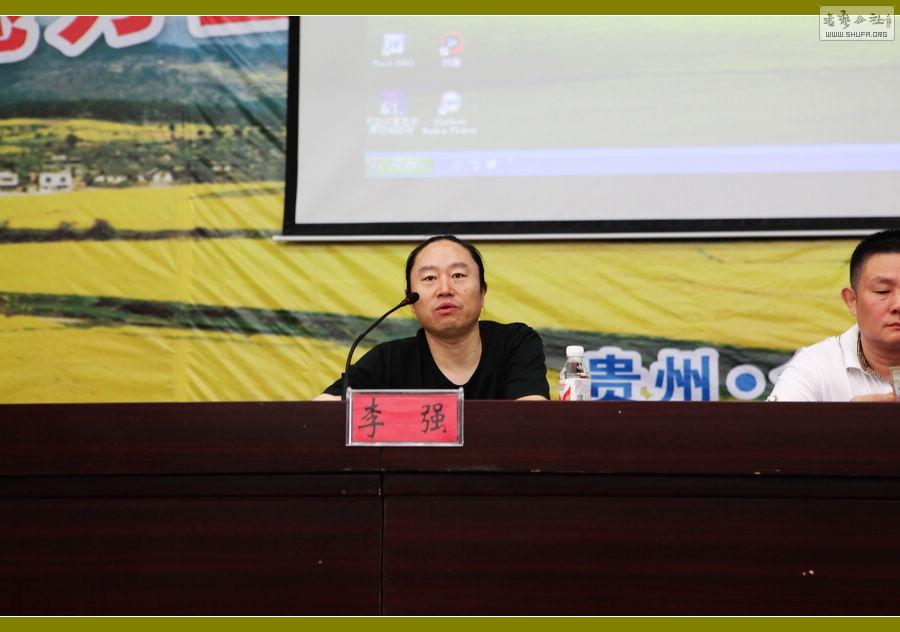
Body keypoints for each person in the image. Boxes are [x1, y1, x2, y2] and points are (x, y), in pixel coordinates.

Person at [314, 235, 550, 400]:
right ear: (411, 301)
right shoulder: (388, 360)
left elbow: (533, 421)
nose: (445, 289)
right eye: (429, 278)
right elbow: (319, 413)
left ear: (482, 293)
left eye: (458, 275)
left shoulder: (515, 344)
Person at [768, 228, 900, 402]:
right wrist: (851, 418)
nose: (897, 304)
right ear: (852, 301)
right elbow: (776, 420)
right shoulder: (815, 366)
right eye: (882, 291)